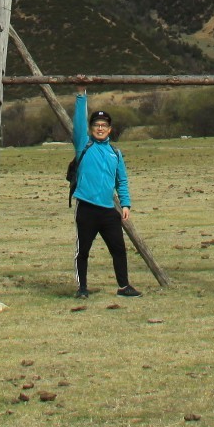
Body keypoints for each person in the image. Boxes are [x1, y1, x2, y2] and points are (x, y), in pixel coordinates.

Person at [69, 83, 138, 298]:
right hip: (87, 208)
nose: (100, 128)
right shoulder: (84, 145)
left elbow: (122, 181)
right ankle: (82, 288)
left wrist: (125, 204)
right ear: (91, 129)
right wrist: (81, 95)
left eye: (104, 125)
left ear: (110, 129)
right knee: (83, 252)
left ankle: (124, 286)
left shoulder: (115, 153)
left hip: (109, 211)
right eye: (96, 125)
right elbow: (79, 123)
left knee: (119, 249)